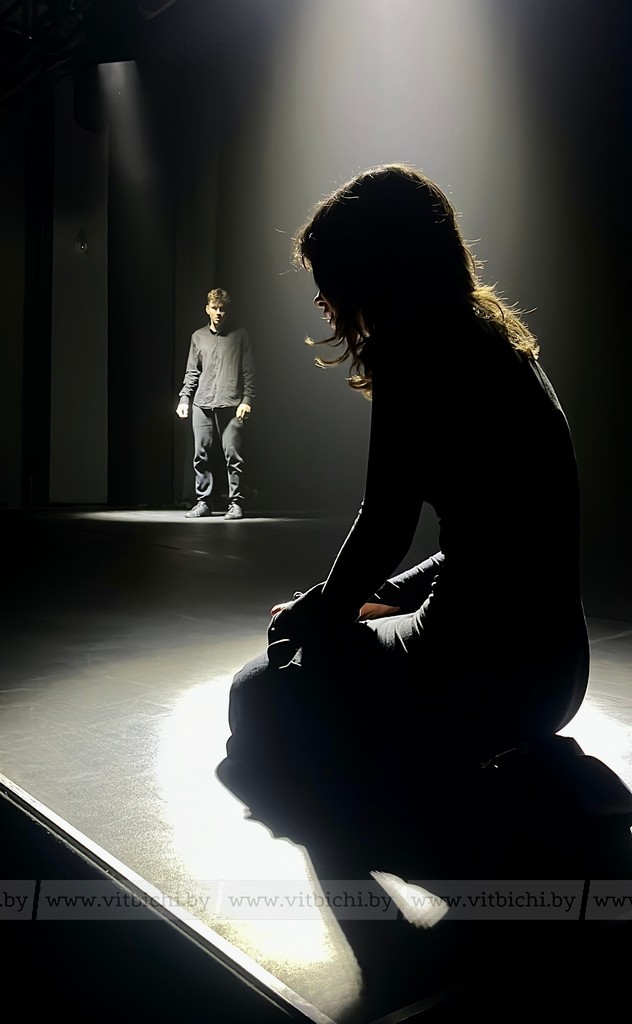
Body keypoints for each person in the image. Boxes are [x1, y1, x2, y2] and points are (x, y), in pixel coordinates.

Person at [216, 163, 590, 873]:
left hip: (479, 682)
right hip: (557, 678)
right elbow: (491, 541)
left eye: (328, 279)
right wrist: (377, 596)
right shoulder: (501, 347)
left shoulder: (412, 355)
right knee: (322, 641)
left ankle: (424, 758)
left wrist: (317, 620)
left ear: (370, 272)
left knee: (255, 690)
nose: (322, 299)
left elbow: (383, 525)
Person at [176, 288, 255, 520]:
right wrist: (184, 398)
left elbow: (249, 371)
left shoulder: (240, 336)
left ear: (227, 310)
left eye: (222, 309)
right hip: (202, 404)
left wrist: (247, 399)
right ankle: (203, 502)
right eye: (215, 308)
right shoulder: (198, 337)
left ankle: (236, 503)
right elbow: (192, 371)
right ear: (207, 309)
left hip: (231, 404)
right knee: (201, 456)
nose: (219, 313)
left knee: (233, 455)